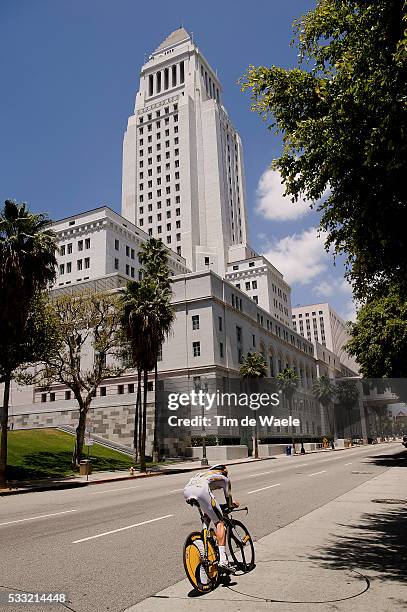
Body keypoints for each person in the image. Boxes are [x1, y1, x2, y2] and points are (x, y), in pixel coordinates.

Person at [184, 464, 239, 571]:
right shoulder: (224, 479)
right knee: (220, 522)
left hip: (187, 491)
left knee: (208, 513)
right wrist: (232, 504)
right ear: (223, 471)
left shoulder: (202, 474)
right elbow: (229, 502)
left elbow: (208, 502)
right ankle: (223, 560)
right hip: (201, 491)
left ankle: (205, 537)